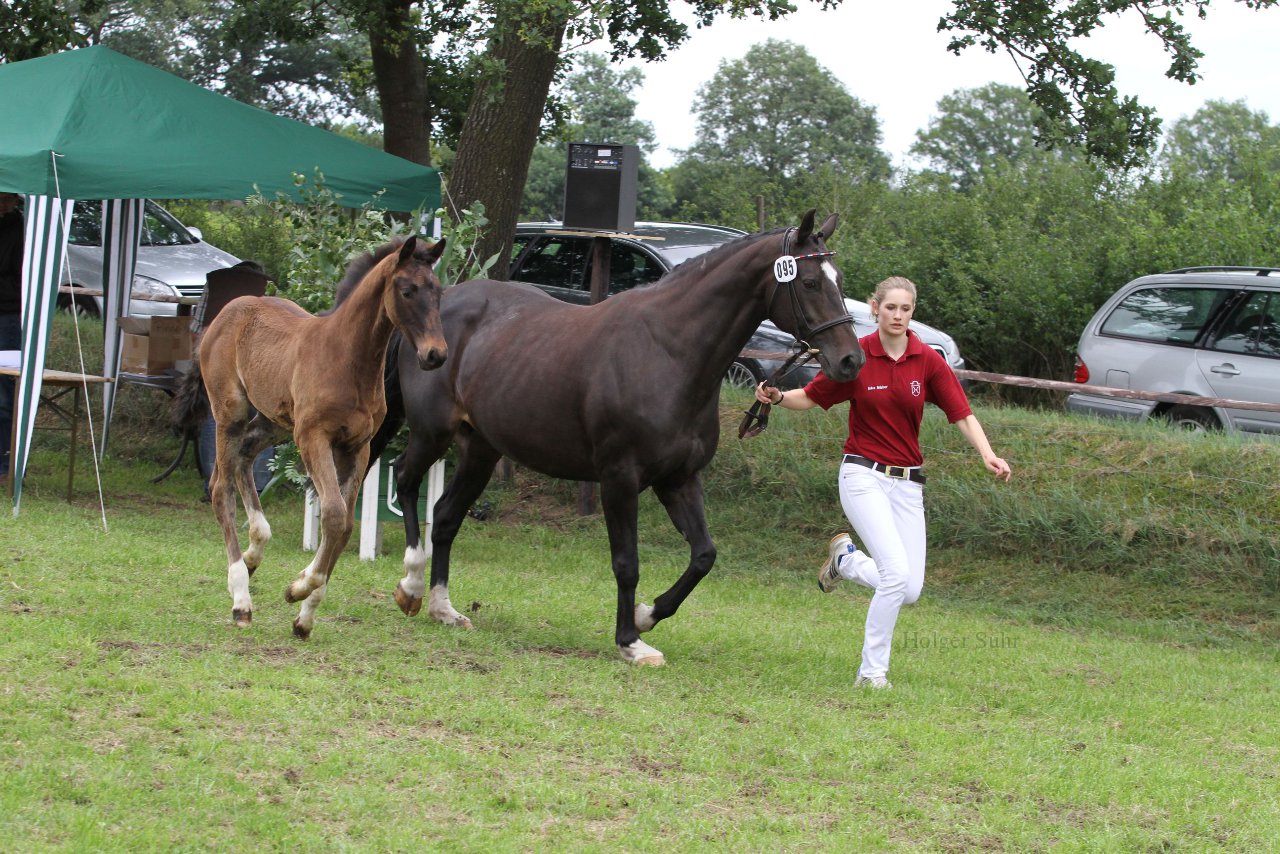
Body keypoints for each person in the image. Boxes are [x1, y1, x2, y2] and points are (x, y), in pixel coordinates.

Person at [756, 276, 1011, 689]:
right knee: (894, 576)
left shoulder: (927, 360)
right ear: (875, 308)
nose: (897, 315)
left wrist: (988, 453)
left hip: (908, 484)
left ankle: (848, 562)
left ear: (913, 312)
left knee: (909, 590)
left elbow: (962, 413)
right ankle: (871, 674)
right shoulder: (857, 357)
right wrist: (779, 398)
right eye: (890, 307)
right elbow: (813, 397)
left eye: (905, 309)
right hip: (862, 475)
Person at [0, 192, 24, 479]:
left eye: (9, 200)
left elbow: (21, 280)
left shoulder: (21, 230)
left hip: (7, 316)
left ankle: (7, 462)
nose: (5, 205)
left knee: (5, 393)